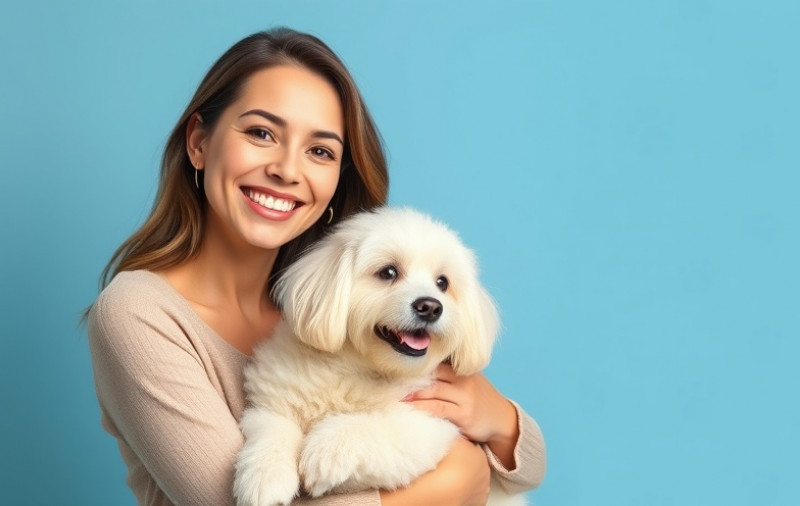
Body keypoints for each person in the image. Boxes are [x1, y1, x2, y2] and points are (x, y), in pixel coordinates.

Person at [87, 27, 546, 506]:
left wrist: (499, 418)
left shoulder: (343, 306)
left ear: (335, 179)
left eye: (320, 151)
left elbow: (527, 468)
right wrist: (444, 488)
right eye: (261, 133)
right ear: (199, 142)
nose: (287, 169)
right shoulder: (138, 314)